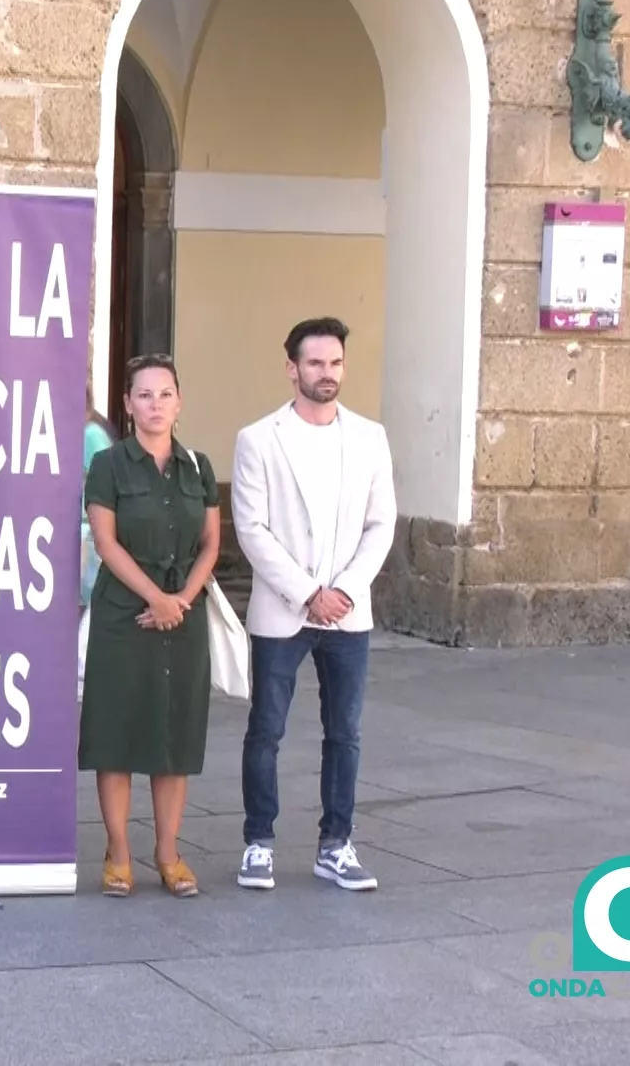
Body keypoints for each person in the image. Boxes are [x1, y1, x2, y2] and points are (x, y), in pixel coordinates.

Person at [229, 316, 396, 892]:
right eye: (316, 363)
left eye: (335, 363)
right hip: (283, 612)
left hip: (349, 613)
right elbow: (250, 529)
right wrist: (307, 594)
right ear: (292, 368)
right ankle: (259, 842)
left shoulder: (370, 437)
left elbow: (382, 523)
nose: (327, 373)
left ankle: (336, 844)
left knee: (344, 732)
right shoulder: (259, 438)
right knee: (265, 730)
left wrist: (345, 591)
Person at [80, 354, 222, 899]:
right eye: (144, 395)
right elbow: (105, 541)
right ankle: (118, 853)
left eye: (165, 394)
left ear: (179, 402)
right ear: (128, 404)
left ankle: (168, 852)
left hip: (182, 617)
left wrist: (180, 599)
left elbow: (210, 543)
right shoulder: (109, 466)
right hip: (124, 613)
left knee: (173, 736)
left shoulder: (198, 467)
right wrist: (155, 597)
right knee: (116, 735)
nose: (155, 405)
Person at [77, 400, 116, 696]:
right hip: (80, 530)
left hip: (86, 532)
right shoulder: (88, 430)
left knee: (85, 603)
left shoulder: (91, 434)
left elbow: (100, 485)